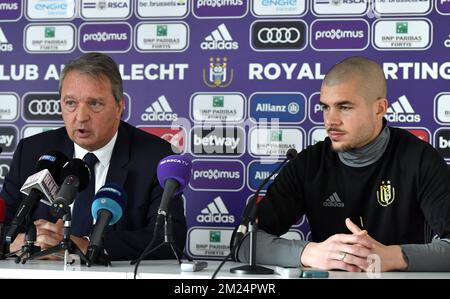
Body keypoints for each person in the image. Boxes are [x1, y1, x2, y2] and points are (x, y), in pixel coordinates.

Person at [237, 56, 450, 272]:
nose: (331, 120)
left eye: (344, 107)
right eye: (326, 108)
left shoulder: (420, 159)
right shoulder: (308, 163)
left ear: (379, 108)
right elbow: (243, 242)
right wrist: (309, 252)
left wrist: (392, 256)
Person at [1, 52, 187, 261]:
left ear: (119, 106)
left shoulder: (156, 157)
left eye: (95, 104)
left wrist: (87, 246)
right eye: (71, 103)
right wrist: (15, 241)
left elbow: (168, 239)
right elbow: (5, 222)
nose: (81, 117)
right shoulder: (33, 151)